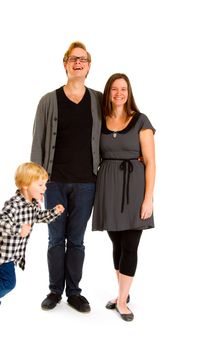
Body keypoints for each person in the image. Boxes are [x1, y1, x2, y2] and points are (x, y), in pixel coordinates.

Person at [30, 41, 102, 313]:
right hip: (55, 183)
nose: (77, 63)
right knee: (55, 239)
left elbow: (118, 123)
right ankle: (54, 291)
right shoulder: (49, 100)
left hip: (86, 183)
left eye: (82, 59)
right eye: (73, 59)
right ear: (65, 64)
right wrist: (35, 186)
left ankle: (74, 292)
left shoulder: (97, 99)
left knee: (77, 240)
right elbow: (37, 143)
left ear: (89, 65)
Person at [0, 162, 64, 338]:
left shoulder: (33, 204)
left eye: (45, 184)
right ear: (25, 185)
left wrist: (54, 212)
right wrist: (18, 229)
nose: (45, 188)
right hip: (1, 254)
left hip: (13, 256)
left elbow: (39, 217)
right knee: (8, 284)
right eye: (40, 184)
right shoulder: (14, 204)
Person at [92, 73, 156, 321]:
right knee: (116, 244)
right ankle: (122, 293)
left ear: (129, 93)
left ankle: (121, 301)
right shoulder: (100, 120)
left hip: (134, 189)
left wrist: (148, 198)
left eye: (124, 89)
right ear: (108, 93)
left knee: (130, 245)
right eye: (114, 89)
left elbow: (150, 162)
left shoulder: (141, 120)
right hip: (107, 187)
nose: (119, 93)